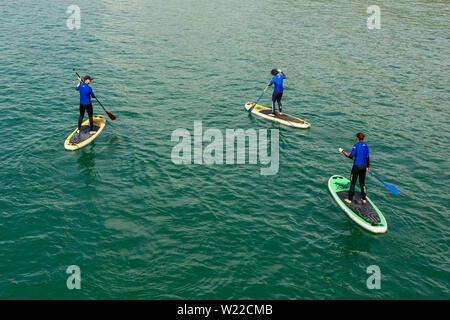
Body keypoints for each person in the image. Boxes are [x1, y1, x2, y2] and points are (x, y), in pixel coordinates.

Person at [338, 133, 370, 205]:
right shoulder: (366, 146)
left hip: (356, 167)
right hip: (364, 166)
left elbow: (351, 156)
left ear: (358, 138)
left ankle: (349, 200)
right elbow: (367, 157)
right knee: (362, 183)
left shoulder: (355, 146)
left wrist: (342, 151)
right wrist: (368, 167)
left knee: (353, 183)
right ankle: (364, 199)